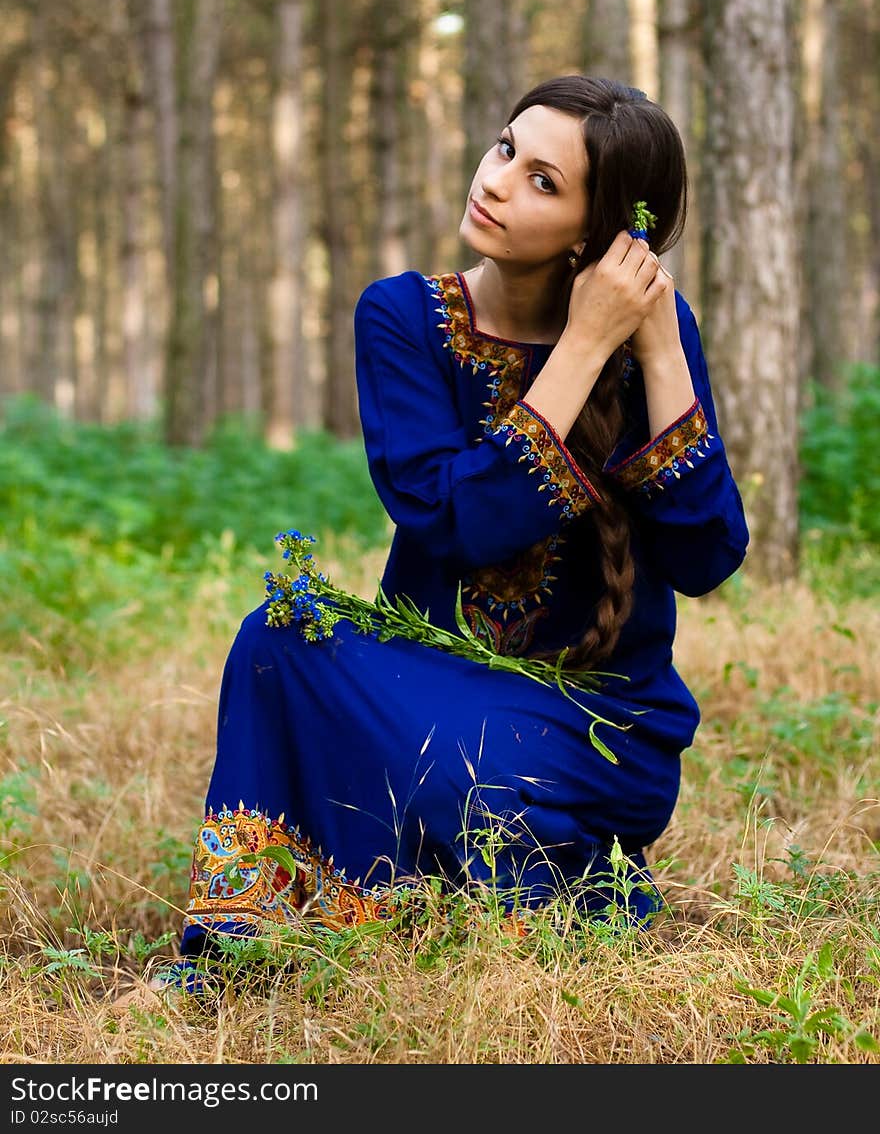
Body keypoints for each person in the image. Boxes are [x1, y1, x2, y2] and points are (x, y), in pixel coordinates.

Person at [154, 74, 748, 991]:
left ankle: (538, 876)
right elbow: (454, 520)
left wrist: (658, 349)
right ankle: (255, 935)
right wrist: (583, 348)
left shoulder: (655, 342)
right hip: (431, 696)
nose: (499, 179)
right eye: (507, 147)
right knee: (280, 634)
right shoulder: (403, 317)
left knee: (459, 774)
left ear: (597, 235)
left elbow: (708, 557)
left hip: (599, 726)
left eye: (545, 180)